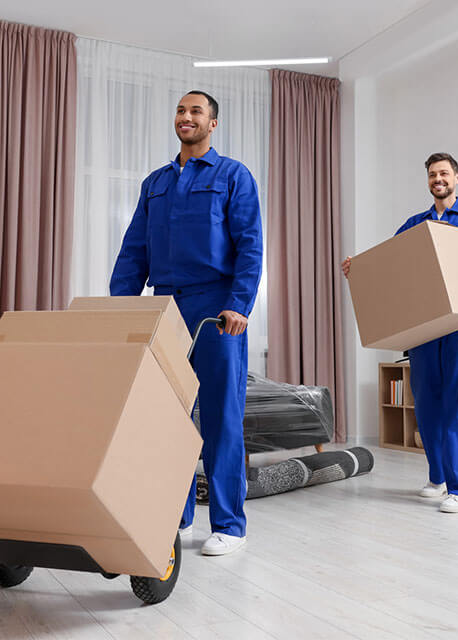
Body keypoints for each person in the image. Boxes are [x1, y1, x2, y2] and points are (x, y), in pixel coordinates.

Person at [110, 90, 262, 555]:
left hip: (218, 308)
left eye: (196, 111)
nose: (186, 116)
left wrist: (240, 303)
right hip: (165, 306)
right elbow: (134, 248)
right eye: (180, 110)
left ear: (212, 124)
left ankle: (229, 525)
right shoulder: (155, 183)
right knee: (166, 416)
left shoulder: (233, 175)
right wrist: (121, 308)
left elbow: (250, 243)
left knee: (220, 416)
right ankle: (176, 518)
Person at [342, 152, 458, 513]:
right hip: (423, 327)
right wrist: (359, 268)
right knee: (426, 403)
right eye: (432, 174)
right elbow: (392, 262)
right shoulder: (416, 222)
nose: (438, 179)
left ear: (457, 178)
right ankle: (438, 476)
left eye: (444, 173)